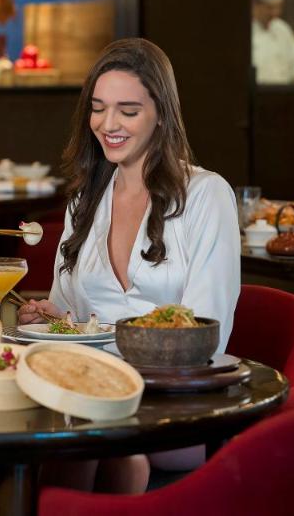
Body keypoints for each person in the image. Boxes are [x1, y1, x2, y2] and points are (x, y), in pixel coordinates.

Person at [17, 37, 240, 493]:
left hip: (176, 399)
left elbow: (205, 335)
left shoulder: (205, 195)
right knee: (76, 433)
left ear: (162, 113)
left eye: (128, 111)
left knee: (100, 444)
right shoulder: (85, 199)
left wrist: (109, 366)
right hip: (92, 389)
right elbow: (70, 316)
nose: (108, 124)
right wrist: (52, 319)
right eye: (98, 108)